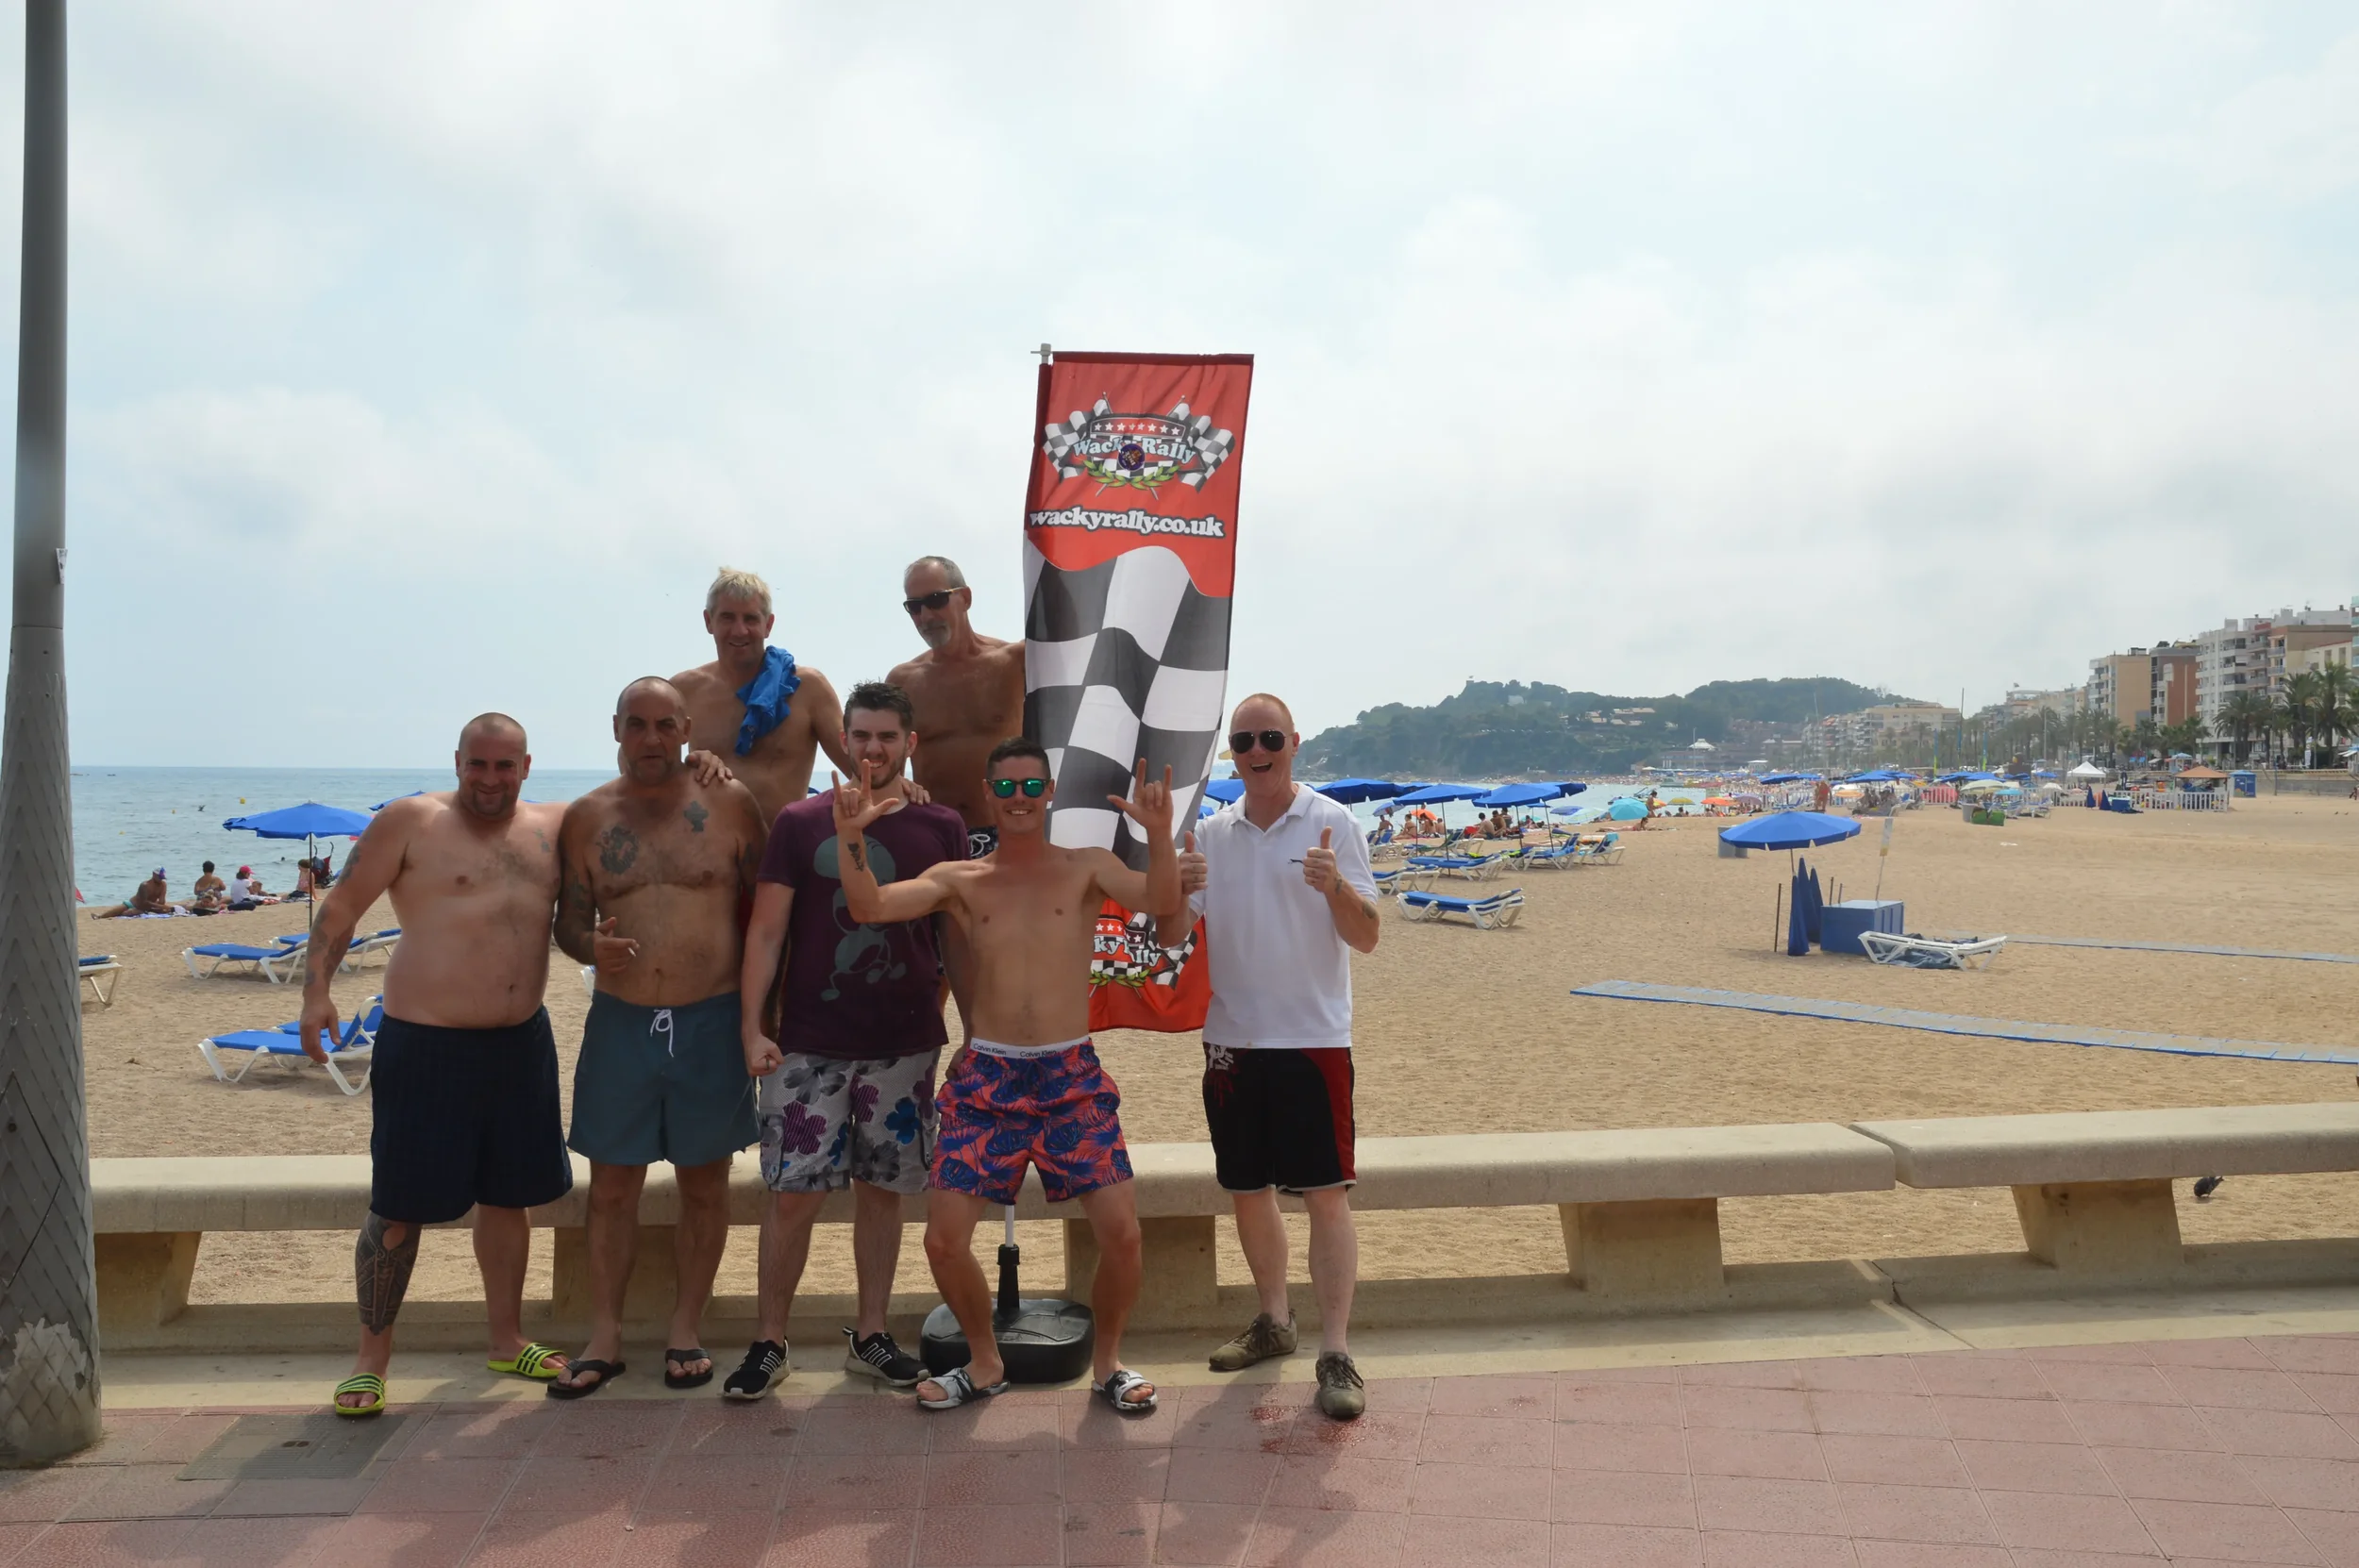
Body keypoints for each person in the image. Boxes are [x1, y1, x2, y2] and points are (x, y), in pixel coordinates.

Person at [833, 741, 1181, 1413]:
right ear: (990, 794)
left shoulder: (1088, 868)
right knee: (943, 1239)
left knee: (1123, 1233)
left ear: (1049, 793)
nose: (1019, 797)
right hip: (988, 1076)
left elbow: (1161, 897)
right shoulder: (961, 879)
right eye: (1006, 787)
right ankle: (985, 1361)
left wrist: (1158, 834)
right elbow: (872, 906)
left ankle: (1107, 1364)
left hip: (1068, 1074)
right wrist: (852, 841)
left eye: (1031, 786)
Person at [301, 714, 576, 1416]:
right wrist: (316, 996)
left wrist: (708, 765)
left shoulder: (553, 827)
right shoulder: (411, 822)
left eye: (504, 767)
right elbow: (340, 909)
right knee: (397, 1205)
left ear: (526, 766)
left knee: (509, 1198)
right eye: (477, 766)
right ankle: (370, 1360)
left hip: (519, 1042)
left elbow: (641, 790)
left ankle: (507, 1338)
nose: (490, 780)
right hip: (426, 1044)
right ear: (457, 762)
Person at [727, 681, 967, 1400]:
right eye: (860, 736)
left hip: (904, 1044)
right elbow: (767, 931)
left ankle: (870, 1334)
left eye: (886, 737)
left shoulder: (940, 825)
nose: (871, 749)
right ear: (845, 740)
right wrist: (752, 1029)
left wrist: (960, 1020)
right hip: (809, 1043)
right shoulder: (801, 823)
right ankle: (770, 1340)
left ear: (909, 743)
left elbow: (952, 936)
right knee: (792, 1196)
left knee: (882, 1193)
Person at [549, 678, 769, 1398]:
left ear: (685, 728)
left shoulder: (729, 804)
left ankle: (685, 1328)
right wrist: (591, 948)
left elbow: (770, 913)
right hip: (622, 1022)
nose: (650, 737)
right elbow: (569, 921)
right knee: (612, 1184)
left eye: (664, 724)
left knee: (706, 1182)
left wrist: (762, 1019)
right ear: (616, 728)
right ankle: (606, 1334)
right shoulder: (587, 817)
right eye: (636, 724)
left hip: (712, 1019)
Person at [1172, 693, 1380, 1422]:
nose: (1256, 751)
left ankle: (1336, 1349)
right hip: (1231, 1040)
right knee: (1247, 1188)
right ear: (1231, 750)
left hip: (1314, 1037)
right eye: (1242, 741)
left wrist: (1335, 889)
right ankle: (1273, 1322)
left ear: (1294, 742)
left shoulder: (1333, 822)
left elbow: (1368, 936)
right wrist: (1178, 891)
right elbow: (1171, 934)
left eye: (1269, 739)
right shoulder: (1211, 834)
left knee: (1326, 1195)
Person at [673, 566, 851, 829]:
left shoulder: (807, 688)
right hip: (709, 854)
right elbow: (633, 757)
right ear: (708, 621)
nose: (740, 630)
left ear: (768, 625)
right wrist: (686, 767)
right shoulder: (683, 691)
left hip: (783, 854)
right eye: (727, 618)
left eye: (751, 619)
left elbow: (859, 766)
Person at [886, 556, 1027, 859]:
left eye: (936, 600)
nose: (925, 615)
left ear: (965, 598)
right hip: (934, 838)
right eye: (914, 606)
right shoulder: (903, 681)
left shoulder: (1016, 663)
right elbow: (882, 761)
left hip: (1011, 836)